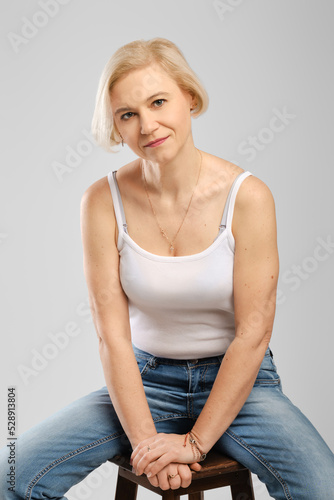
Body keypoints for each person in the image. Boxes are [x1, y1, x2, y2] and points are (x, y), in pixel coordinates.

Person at [1, 37, 333, 500]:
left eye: (159, 102)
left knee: (323, 488)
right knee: (10, 475)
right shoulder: (101, 202)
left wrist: (193, 444)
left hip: (239, 385)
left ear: (189, 98)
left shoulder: (248, 198)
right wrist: (146, 446)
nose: (147, 125)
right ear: (116, 128)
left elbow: (253, 333)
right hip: (145, 383)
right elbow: (111, 336)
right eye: (128, 114)